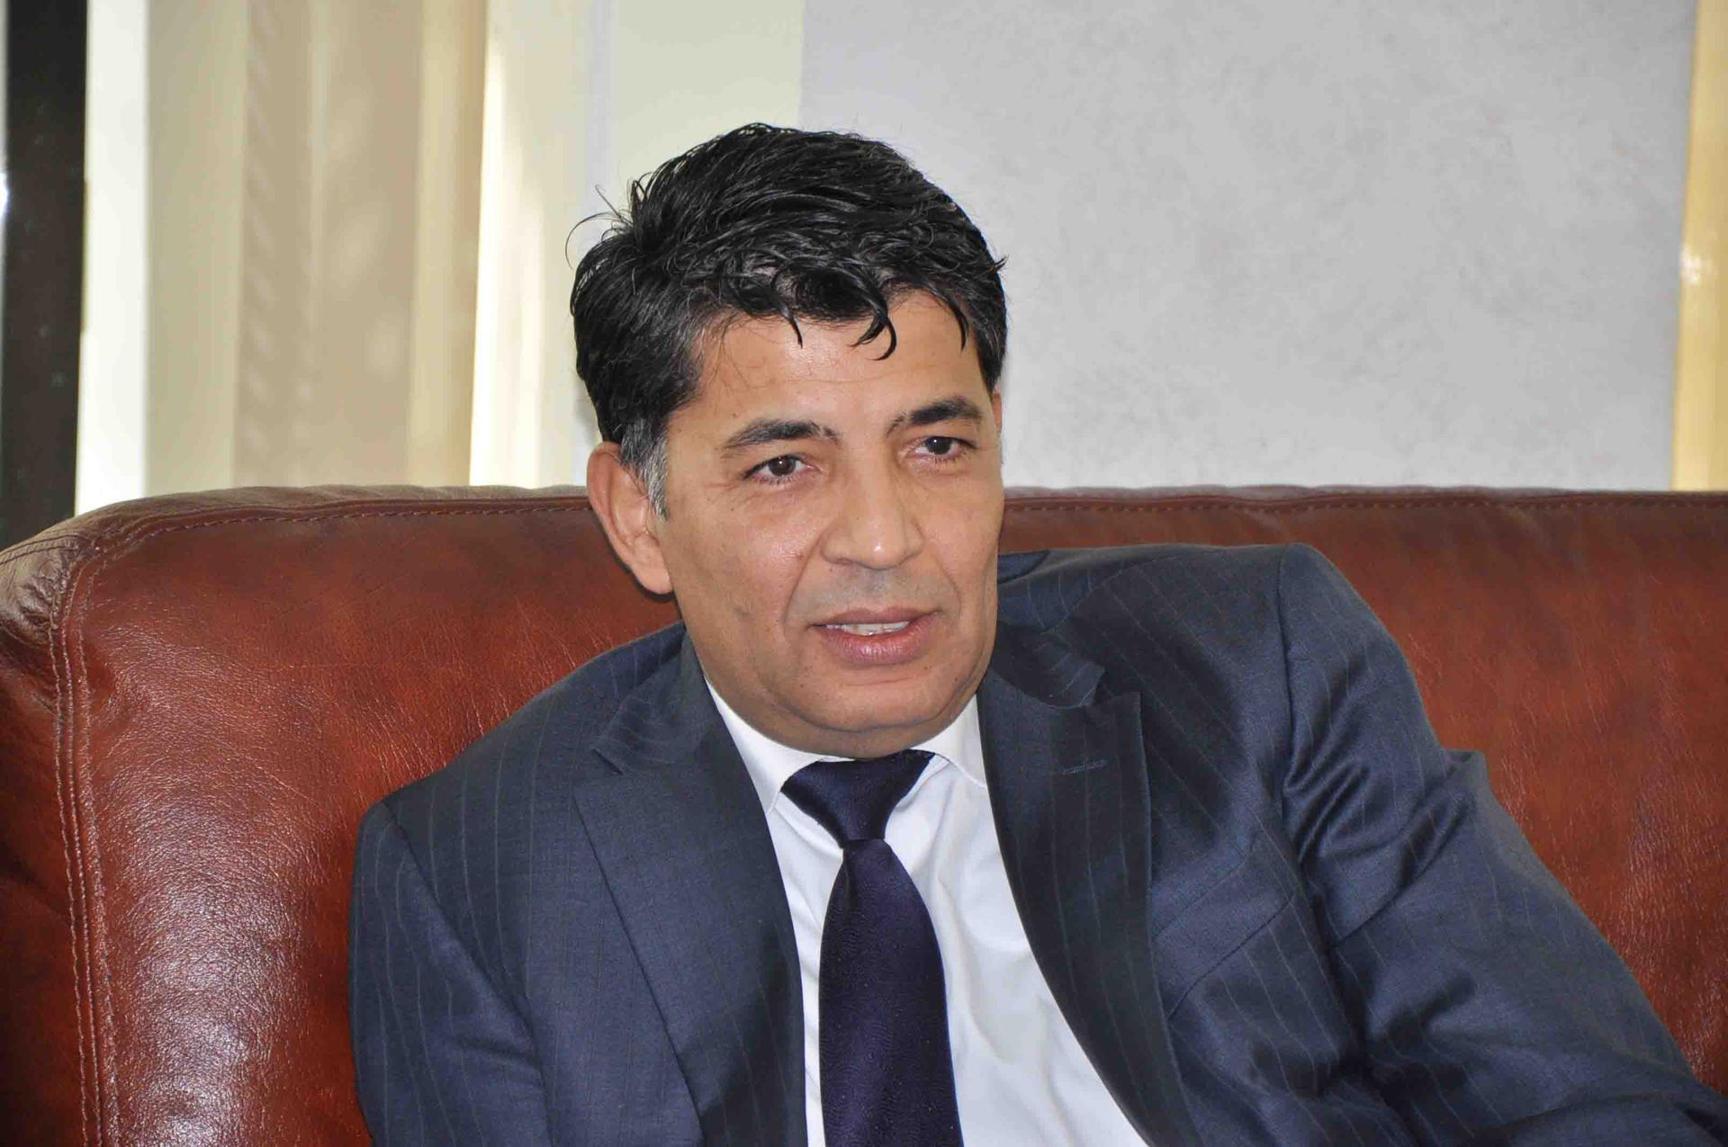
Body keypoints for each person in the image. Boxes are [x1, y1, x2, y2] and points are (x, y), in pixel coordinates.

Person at [349, 124, 1727, 1146]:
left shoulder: (1255, 671)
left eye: (936, 446)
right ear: (639, 517)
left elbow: (1587, 1102)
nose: (884, 538)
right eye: (785, 466)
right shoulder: (480, 875)